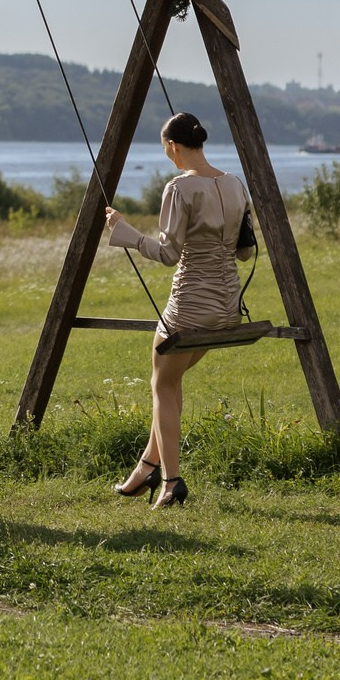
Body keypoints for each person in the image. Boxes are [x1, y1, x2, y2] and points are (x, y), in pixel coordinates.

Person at [102, 111, 255, 509]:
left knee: (163, 386)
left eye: (164, 145)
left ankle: (170, 482)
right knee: (169, 385)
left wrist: (127, 233)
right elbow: (245, 251)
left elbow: (169, 254)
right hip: (227, 309)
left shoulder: (178, 189)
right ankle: (146, 467)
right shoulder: (236, 184)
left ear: (172, 146)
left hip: (189, 307)